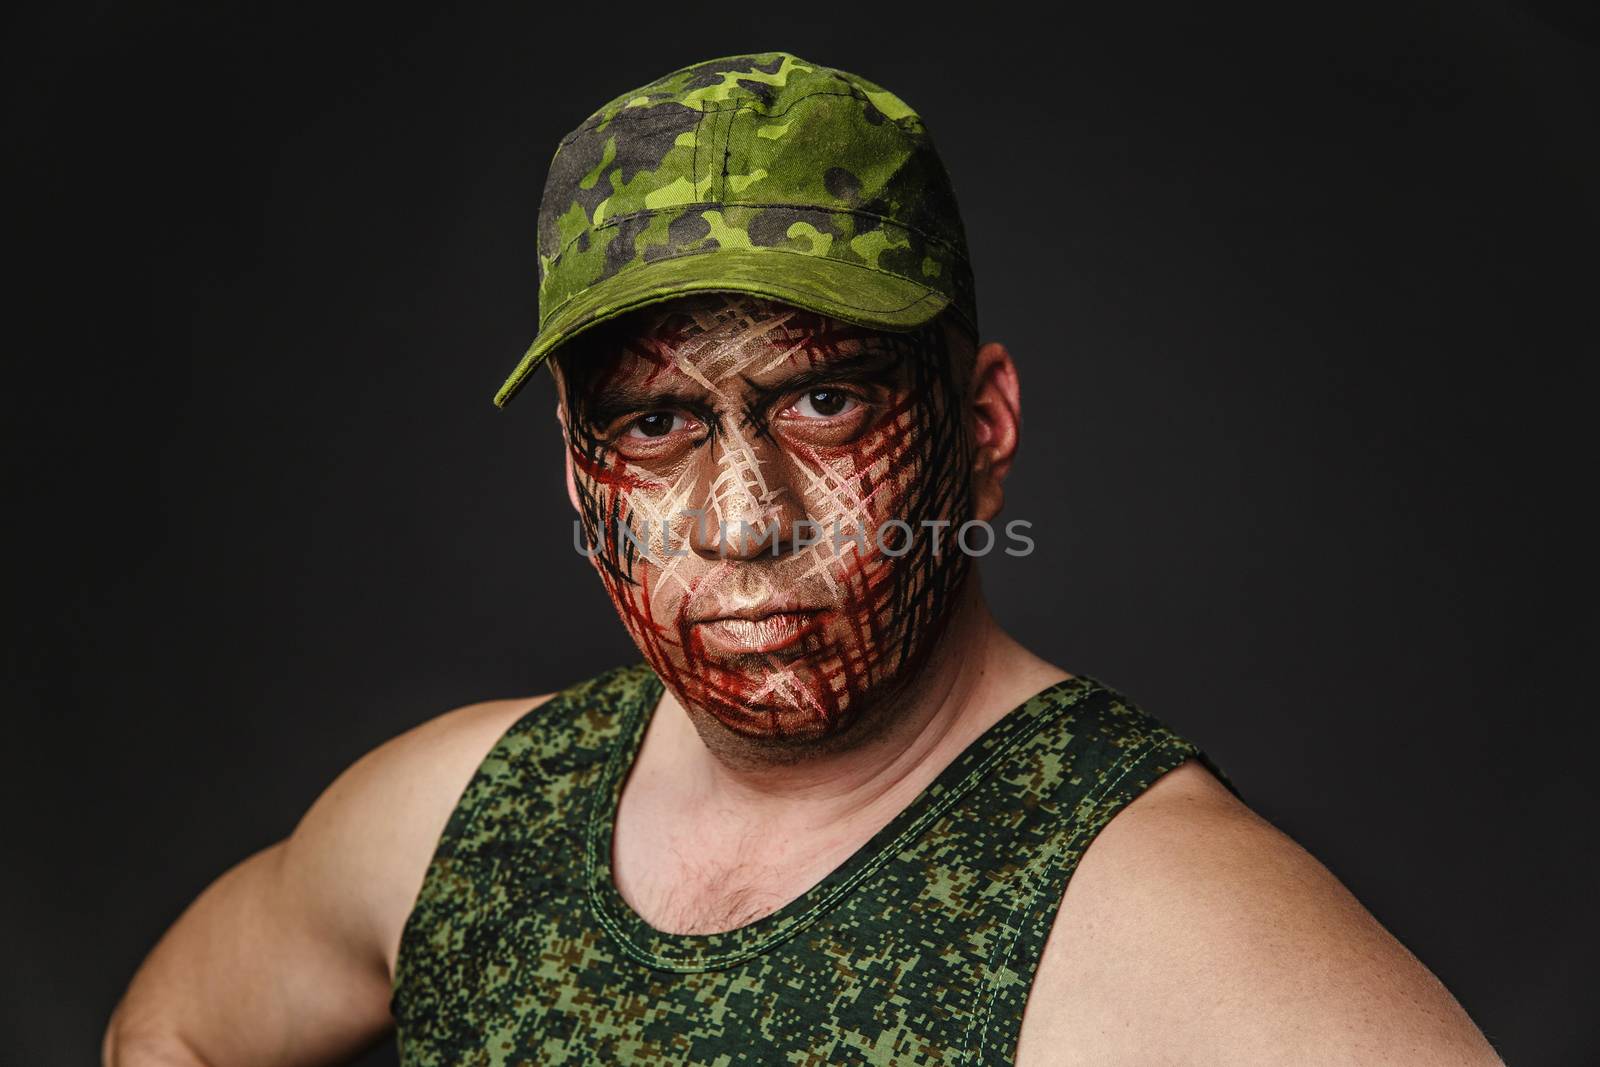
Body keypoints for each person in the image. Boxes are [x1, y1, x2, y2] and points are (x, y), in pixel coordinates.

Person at [105, 52, 1501, 1066]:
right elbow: (167, 1033)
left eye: (824, 400)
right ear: (577, 464)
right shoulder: (453, 824)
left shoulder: (1173, 929)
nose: (742, 515)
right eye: (655, 423)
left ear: (984, 424)